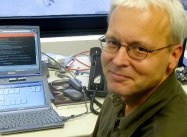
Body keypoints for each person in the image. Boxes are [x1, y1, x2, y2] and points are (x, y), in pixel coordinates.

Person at [91, 0, 187, 137]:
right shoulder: (122, 93)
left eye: (140, 49)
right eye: (112, 42)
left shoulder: (169, 131)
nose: (118, 61)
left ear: (173, 56)